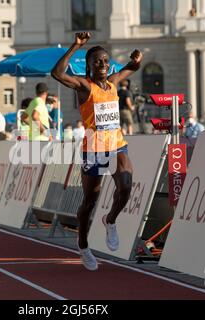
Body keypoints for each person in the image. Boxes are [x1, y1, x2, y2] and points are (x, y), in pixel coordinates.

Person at [52, 32, 142, 271]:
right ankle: (82, 244)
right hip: (93, 150)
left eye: (105, 61)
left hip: (116, 145)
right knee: (89, 201)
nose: (102, 65)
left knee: (125, 187)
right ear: (89, 66)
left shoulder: (113, 81)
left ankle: (110, 220)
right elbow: (57, 73)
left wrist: (137, 59)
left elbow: (133, 67)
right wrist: (75, 46)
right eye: (97, 62)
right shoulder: (84, 86)